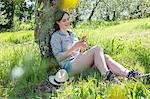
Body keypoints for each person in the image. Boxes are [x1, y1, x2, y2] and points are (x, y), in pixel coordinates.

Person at [50, 9, 142, 83]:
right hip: (69, 66)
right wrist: (74, 47)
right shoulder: (56, 36)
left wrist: (81, 48)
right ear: (58, 22)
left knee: (105, 57)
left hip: (79, 61)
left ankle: (130, 75)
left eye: (68, 19)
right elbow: (58, 58)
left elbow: (78, 53)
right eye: (64, 20)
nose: (67, 22)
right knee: (97, 48)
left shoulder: (72, 34)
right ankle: (106, 75)